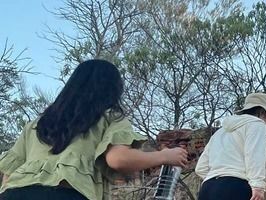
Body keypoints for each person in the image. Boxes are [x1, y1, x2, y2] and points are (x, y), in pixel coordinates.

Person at [0, 59, 189, 200]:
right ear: (112, 91)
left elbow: (8, 174)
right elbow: (118, 159)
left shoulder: (37, 124)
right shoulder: (110, 117)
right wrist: (165, 156)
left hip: (14, 193)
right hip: (67, 193)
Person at [196, 93, 266, 200]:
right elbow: (254, 156)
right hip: (236, 188)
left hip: (207, 190)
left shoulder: (220, 132)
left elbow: (200, 168)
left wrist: (218, 181)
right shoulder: (257, 124)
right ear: (262, 112)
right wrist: (258, 186)